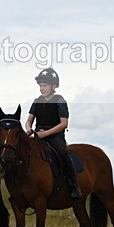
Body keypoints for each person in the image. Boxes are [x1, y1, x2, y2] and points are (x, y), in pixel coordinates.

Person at [25, 68, 82, 200]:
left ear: (53, 86)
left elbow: (64, 124)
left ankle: (74, 185)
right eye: (40, 86)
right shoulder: (37, 101)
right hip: (38, 136)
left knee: (63, 152)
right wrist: (28, 129)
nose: (41, 88)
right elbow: (29, 121)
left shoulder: (59, 100)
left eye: (44, 85)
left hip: (55, 136)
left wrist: (45, 134)